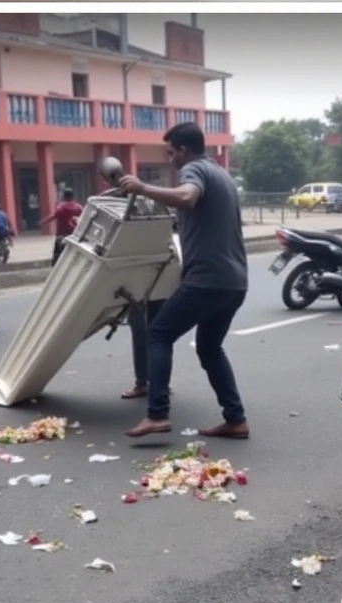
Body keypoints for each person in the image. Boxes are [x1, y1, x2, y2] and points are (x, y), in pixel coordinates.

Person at [117, 122, 250, 440]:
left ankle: (157, 414)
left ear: (183, 150)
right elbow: (191, 216)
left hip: (208, 279)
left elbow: (187, 197)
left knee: (159, 334)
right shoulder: (222, 175)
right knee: (209, 347)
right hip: (234, 281)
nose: (169, 157)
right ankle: (236, 419)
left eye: (171, 151)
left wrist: (142, 188)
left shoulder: (193, 171)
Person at [42, 189, 83, 265]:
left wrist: (43, 221)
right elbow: (83, 218)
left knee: (57, 255)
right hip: (75, 235)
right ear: (73, 196)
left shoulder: (61, 206)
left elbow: (54, 216)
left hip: (61, 234)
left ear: (64, 196)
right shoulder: (79, 207)